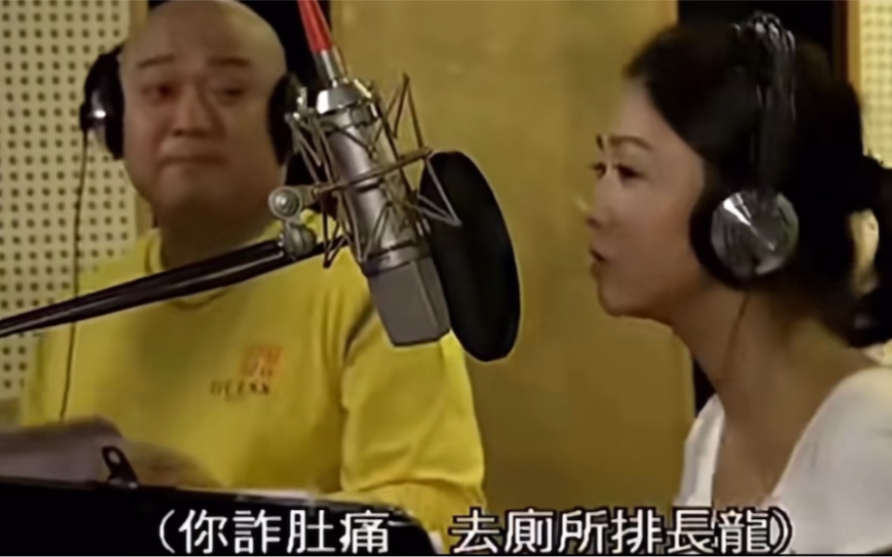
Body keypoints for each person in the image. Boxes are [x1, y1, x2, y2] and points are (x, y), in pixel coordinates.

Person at [18, 0, 485, 541]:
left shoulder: (374, 287)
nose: (190, 121)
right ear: (114, 119)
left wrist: (216, 522)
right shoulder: (81, 315)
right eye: (160, 91)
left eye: (228, 91)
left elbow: (438, 514)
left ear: (287, 120)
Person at [585, 16, 892, 554]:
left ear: (749, 221)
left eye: (629, 172)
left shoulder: (872, 444)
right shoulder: (714, 434)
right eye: (600, 169)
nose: (596, 209)